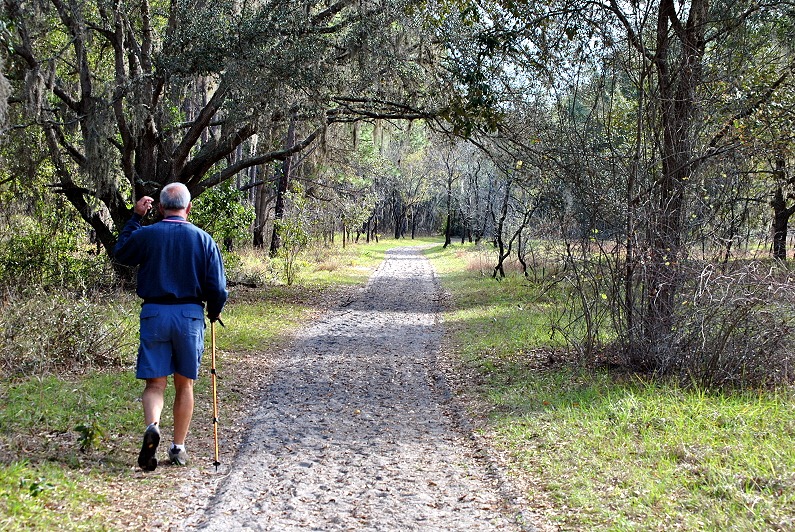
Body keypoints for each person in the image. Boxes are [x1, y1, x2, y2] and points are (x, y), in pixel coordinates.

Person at [114, 183, 228, 471]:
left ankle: (152, 425)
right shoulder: (203, 239)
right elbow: (218, 287)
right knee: (184, 383)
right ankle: (177, 448)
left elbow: (122, 252)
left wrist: (136, 217)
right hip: (189, 316)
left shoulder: (148, 234)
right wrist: (213, 312)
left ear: (161, 208)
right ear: (188, 208)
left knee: (155, 383)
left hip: (154, 314)